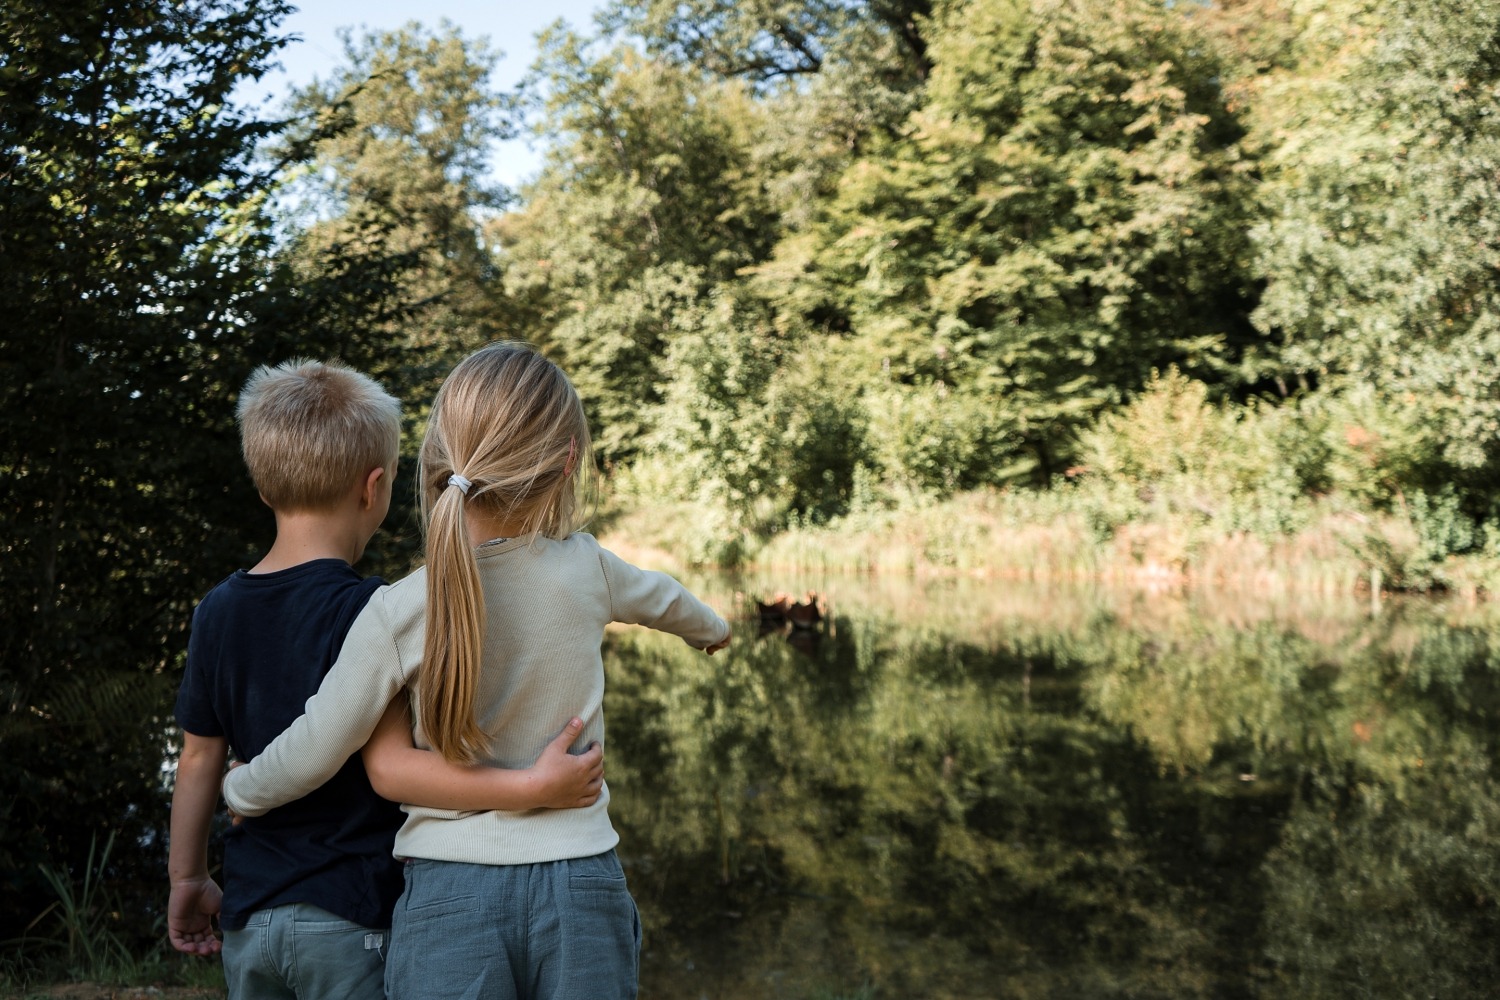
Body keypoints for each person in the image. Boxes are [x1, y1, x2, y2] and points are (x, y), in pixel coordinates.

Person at [221, 342, 731, 1000]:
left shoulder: (398, 608)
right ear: (567, 463)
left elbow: (320, 741)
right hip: (581, 887)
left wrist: (244, 790)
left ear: (442, 457)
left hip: (446, 899)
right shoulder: (588, 567)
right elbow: (666, 599)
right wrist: (711, 631)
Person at [168, 358, 605, 1000]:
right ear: (373, 488)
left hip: (251, 910)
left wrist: (187, 880)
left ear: (263, 488)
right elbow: (390, 765)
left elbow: (199, 759)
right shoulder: (377, 613)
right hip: (354, 914)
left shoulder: (216, 611)